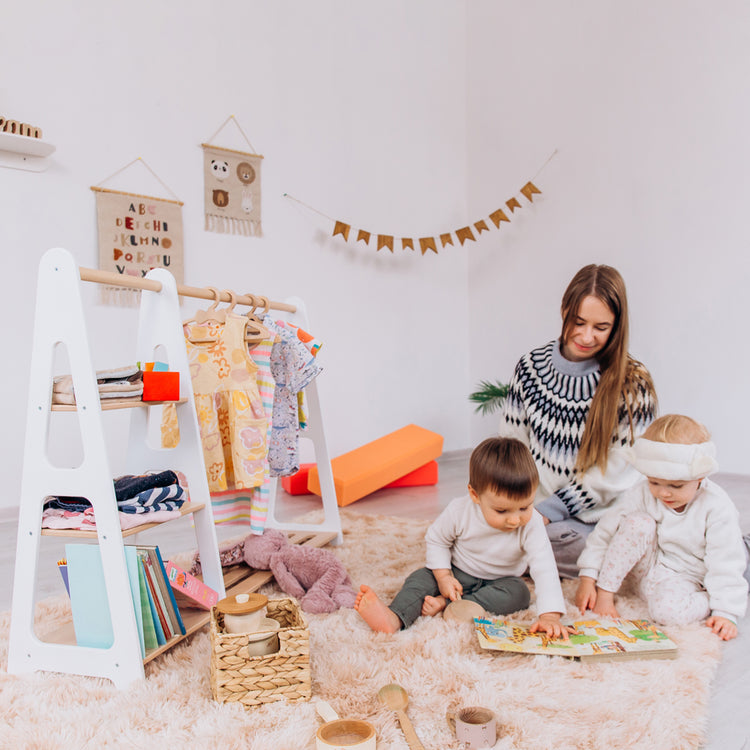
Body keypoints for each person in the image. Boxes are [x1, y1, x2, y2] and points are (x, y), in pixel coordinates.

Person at [499, 264, 658, 577]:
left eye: (601, 327)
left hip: (600, 519)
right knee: (475, 536)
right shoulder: (530, 369)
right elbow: (511, 445)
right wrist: (511, 508)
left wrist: (550, 511)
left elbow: (617, 474)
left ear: (617, 325)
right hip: (535, 512)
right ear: (564, 311)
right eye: (578, 322)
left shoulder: (633, 383)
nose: (587, 336)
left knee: (539, 550)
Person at [354, 437, 569, 639]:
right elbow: (437, 540)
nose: (514, 520)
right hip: (458, 571)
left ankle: (453, 604)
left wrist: (550, 616)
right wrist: (443, 577)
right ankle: (394, 617)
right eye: (502, 511)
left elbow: (544, 566)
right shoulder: (460, 510)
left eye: (524, 507)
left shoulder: (531, 523)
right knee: (420, 579)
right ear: (475, 495)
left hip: (501, 581)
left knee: (520, 594)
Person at [575, 415, 748, 641]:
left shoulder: (716, 506)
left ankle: (706, 598)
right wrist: (589, 579)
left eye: (676, 485)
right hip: (644, 570)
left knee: (666, 611)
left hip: (685, 577)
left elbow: (726, 561)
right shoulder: (641, 493)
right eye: (654, 482)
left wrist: (725, 611)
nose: (664, 493)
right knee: (637, 523)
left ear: (700, 476)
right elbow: (605, 533)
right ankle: (606, 593)